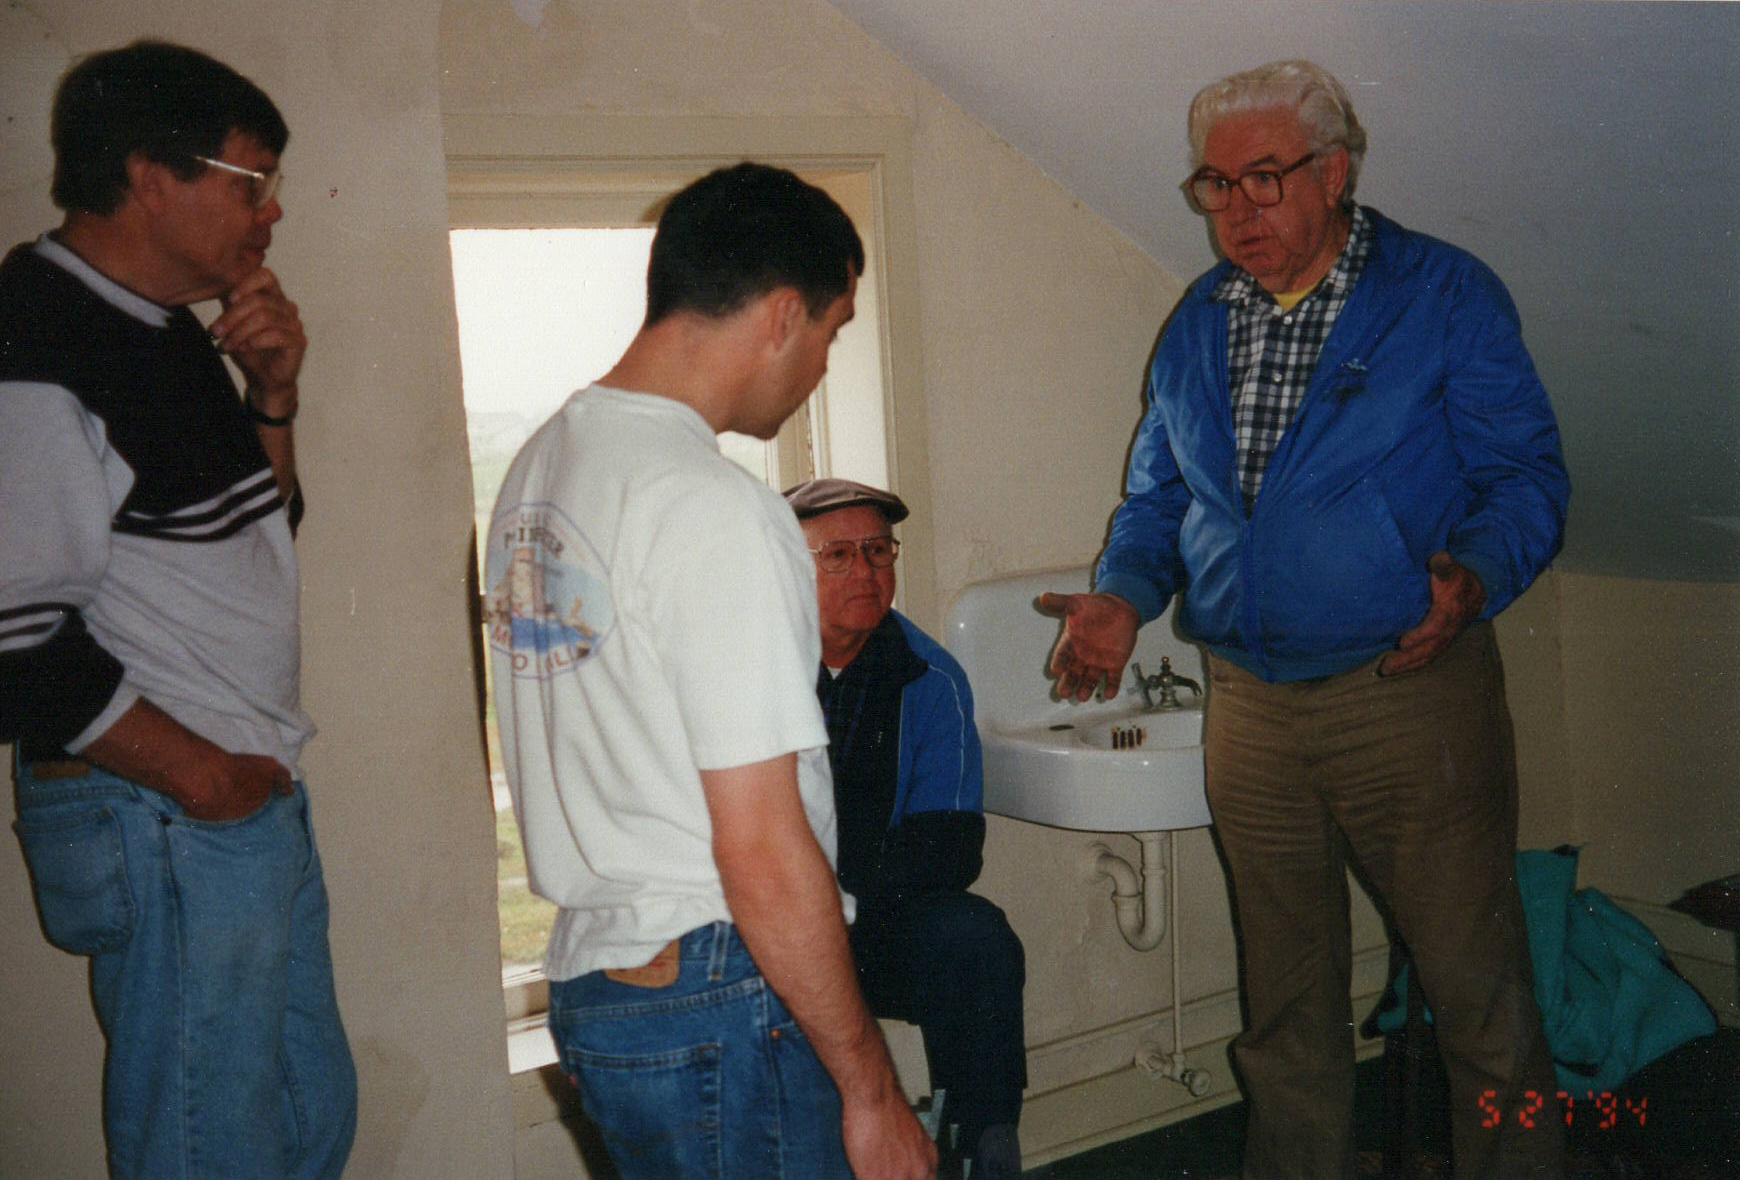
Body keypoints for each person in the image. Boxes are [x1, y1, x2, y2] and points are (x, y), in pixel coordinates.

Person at [1041, 60, 1570, 1179]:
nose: (1236, 209)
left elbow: (1524, 477)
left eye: (1265, 178)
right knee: (1283, 1016)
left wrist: (1476, 575)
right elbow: (1159, 498)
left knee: (1481, 999)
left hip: (1407, 694)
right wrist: (1123, 597)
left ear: (1336, 172)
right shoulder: (1198, 322)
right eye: (1215, 184)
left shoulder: (1442, 294)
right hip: (1250, 711)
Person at [485, 163, 936, 1180]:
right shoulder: (714, 506)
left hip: (602, 982)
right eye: (831, 331)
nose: (821, 364)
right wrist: (872, 1092)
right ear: (782, 315)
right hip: (720, 988)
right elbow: (763, 846)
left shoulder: (542, 467)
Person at [0, 40, 355, 1179]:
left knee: (303, 1122)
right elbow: (12, 635)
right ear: (151, 177)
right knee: (211, 1152)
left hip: (226, 797)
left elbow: (254, 535)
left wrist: (273, 397)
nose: (274, 211)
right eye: (253, 182)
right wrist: (203, 781)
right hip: (168, 805)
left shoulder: (160, 324)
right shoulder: (37, 334)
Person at [784, 477, 1027, 1180]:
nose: (865, 572)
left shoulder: (930, 677)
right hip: (771, 926)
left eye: (878, 550)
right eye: (837, 555)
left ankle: (980, 1148)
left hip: (871, 922)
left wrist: (843, 900)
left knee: (974, 938)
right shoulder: (752, 670)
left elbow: (949, 847)